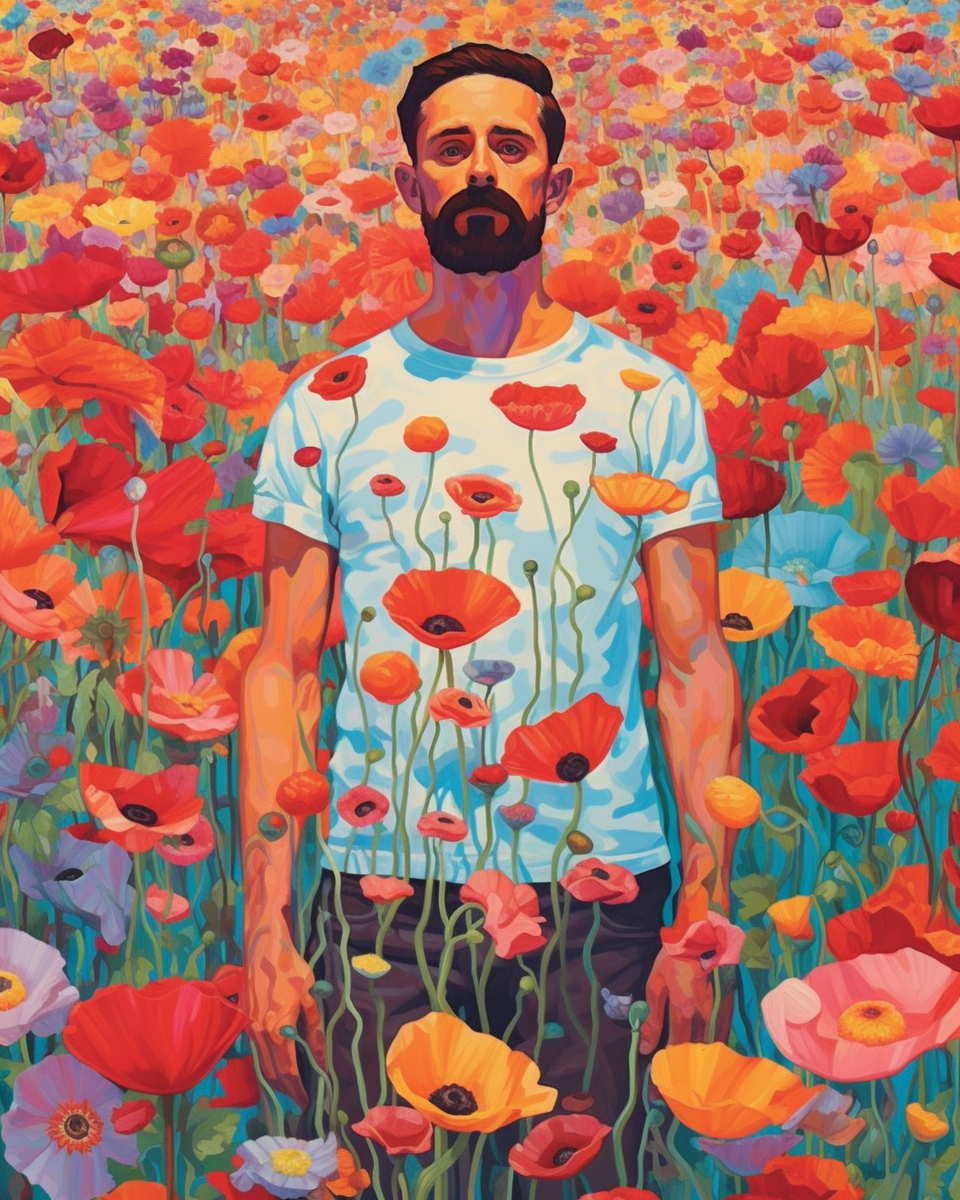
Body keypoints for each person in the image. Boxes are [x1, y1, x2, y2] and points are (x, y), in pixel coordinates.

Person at [241, 41, 742, 1197]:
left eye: (509, 147)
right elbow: (282, 673)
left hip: (599, 899)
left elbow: (694, 666)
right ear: (411, 184)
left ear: (554, 184)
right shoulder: (330, 400)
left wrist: (698, 920)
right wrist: (269, 931)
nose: (480, 170)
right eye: (449, 148)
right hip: (377, 903)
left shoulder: (647, 399)